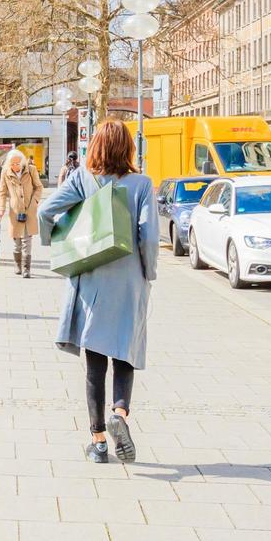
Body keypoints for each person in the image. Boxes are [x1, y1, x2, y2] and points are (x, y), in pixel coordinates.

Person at [38, 119, 158, 465]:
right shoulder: (142, 184)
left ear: (96, 148)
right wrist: (148, 272)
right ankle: (119, 414)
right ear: (129, 149)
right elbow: (148, 236)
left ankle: (99, 442)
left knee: (95, 364)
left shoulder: (82, 179)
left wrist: (61, 242)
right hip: (129, 280)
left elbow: (46, 210)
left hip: (91, 278)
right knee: (125, 352)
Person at [0, 148, 44, 278]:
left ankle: (26, 268)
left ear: (22, 162)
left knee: (27, 241)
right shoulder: (5, 172)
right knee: (17, 241)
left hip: (29, 210)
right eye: (12, 164)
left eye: (18, 163)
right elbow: (1, 192)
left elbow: (39, 187)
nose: (15, 166)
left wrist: (34, 202)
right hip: (15, 212)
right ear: (8, 164)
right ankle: (17, 264)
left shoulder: (31, 170)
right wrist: (1, 208)